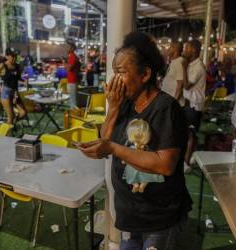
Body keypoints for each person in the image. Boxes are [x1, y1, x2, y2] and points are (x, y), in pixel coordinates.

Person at [78, 32, 192, 250]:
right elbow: (105, 140)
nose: (114, 81)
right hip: (131, 213)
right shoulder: (126, 104)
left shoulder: (166, 108)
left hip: (158, 217)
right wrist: (113, 108)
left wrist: (112, 147)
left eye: (121, 72)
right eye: (114, 72)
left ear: (145, 74)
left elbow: (165, 164)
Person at [182, 39, 206, 170]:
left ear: (194, 50)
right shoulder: (192, 65)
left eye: (187, 47)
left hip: (194, 105)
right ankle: (187, 158)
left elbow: (186, 85)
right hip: (189, 103)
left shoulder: (198, 67)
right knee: (188, 133)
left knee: (190, 134)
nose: (185, 50)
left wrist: (184, 68)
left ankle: (186, 163)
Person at [0, 48, 26, 124]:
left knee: (23, 113)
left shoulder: (17, 66)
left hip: (15, 93)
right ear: (6, 56)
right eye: (12, 56)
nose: (14, 57)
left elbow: (18, 78)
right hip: (6, 93)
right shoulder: (3, 65)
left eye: (15, 56)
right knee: (10, 117)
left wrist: (24, 80)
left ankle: (12, 126)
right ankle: (6, 134)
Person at [161, 41, 184, 106]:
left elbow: (180, 84)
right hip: (168, 101)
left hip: (173, 103)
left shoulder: (179, 62)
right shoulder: (174, 61)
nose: (168, 49)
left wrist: (174, 102)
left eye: (170, 47)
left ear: (175, 49)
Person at [66, 42, 80, 107]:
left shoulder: (72, 56)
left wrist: (64, 64)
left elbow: (68, 69)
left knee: (72, 99)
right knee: (72, 98)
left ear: (72, 48)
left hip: (72, 80)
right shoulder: (72, 56)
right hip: (73, 80)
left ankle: (74, 113)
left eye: (68, 47)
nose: (66, 48)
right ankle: (74, 112)